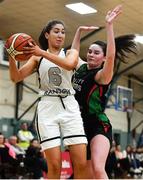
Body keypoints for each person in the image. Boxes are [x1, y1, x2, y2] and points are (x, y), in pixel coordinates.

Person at [8, 20, 88, 179]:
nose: (60, 35)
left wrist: (41, 52)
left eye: (63, 32)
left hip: (69, 105)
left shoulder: (70, 53)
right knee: (54, 165)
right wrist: (12, 55)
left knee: (80, 163)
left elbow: (68, 65)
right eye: (56, 31)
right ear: (47, 34)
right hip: (47, 107)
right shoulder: (36, 59)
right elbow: (15, 77)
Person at [71, 5, 137, 179]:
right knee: (84, 173)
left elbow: (112, 55)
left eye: (96, 53)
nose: (91, 54)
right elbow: (73, 53)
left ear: (103, 58)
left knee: (98, 169)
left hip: (98, 124)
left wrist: (109, 26)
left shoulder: (102, 76)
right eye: (90, 51)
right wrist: (78, 32)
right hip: (79, 125)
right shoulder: (81, 67)